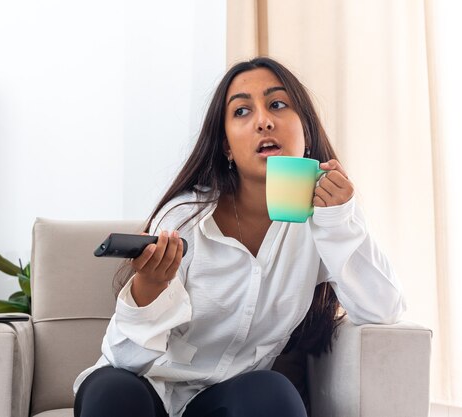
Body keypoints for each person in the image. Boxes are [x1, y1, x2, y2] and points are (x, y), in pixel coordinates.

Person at [73, 57, 405, 417]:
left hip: (226, 404)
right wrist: (149, 288)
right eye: (242, 111)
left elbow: (383, 309)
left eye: (277, 104)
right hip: (146, 393)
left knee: (272, 392)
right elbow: (125, 360)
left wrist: (340, 222)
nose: (263, 120)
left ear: (306, 132)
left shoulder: (326, 219)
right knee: (111, 388)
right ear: (227, 147)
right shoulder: (185, 218)